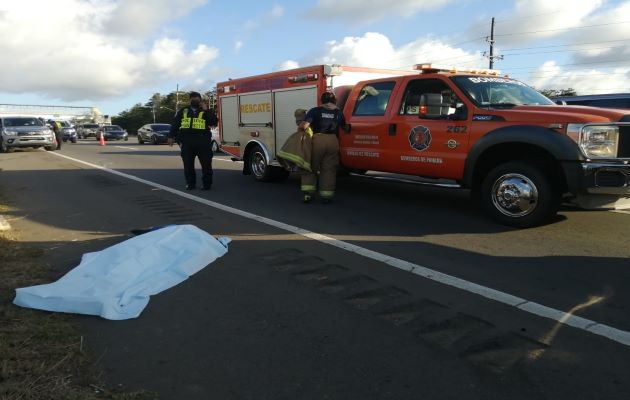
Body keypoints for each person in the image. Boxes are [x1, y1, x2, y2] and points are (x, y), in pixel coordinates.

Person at [299, 91, 347, 203]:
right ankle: (326, 196)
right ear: (334, 101)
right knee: (329, 169)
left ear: (322, 101)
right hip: (333, 141)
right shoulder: (339, 113)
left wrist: (301, 127)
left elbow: (304, 126)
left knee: (310, 166)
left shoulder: (315, 111)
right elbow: (345, 127)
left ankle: (308, 194)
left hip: (318, 140)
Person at [167, 91, 219, 190]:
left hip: (202, 141)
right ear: (189, 100)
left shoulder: (206, 111)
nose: (194, 100)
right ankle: (190, 184)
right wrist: (171, 136)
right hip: (187, 141)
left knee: (206, 164)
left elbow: (213, 122)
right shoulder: (183, 111)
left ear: (200, 99)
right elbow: (175, 124)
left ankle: (206, 184)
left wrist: (206, 110)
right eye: (192, 98)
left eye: (196, 98)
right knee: (188, 164)